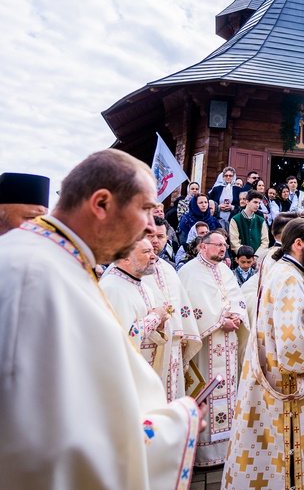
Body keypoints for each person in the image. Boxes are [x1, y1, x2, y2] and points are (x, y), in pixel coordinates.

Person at [0, 149, 202, 488]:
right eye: (146, 210)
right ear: (102, 204)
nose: (150, 228)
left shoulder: (57, 262)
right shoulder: (35, 273)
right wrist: (179, 424)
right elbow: (41, 442)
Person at [222, 219, 304, 489]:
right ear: (298, 243)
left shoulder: (286, 271)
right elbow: (294, 344)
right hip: (290, 386)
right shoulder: (289, 277)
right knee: (290, 455)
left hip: (274, 376)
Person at [179, 230, 249, 466]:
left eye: (225, 244)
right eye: (218, 244)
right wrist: (221, 321)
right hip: (207, 345)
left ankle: (228, 447)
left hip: (228, 343)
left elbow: (238, 298)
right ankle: (205, 454)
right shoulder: (188, 272)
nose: (223, 248)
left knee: (229, 390)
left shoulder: (225, 269)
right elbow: (191, 308)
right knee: (208, 391)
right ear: (202, 247)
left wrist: (237, 316)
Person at [100, 239, 174, 383]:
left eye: (152, 251)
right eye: (147, 252)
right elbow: (121, 340)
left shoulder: (145, 288)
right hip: (124, 378)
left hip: (144, 372)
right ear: (126, 258)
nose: (154, 256)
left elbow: (146, 331)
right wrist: (155, 318)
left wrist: (159, 326)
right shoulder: (111, 288)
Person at [145, 217, 203, 400]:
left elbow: (182, 307)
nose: (155, 241)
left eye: (160, 236)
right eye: (150, 235)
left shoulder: (169, 269)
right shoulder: (129, 268)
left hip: (174, 348)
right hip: (148, 348)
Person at [229, 191, 269, 257]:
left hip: (257, 259)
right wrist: (244, 256)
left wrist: (256, 256)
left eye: (259, 203)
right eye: (255, 202)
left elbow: (265, 242)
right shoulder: (235, 219)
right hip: (240, 259)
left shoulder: (261, 220)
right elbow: (234, 242)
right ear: (247, 202)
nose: (257, 205)